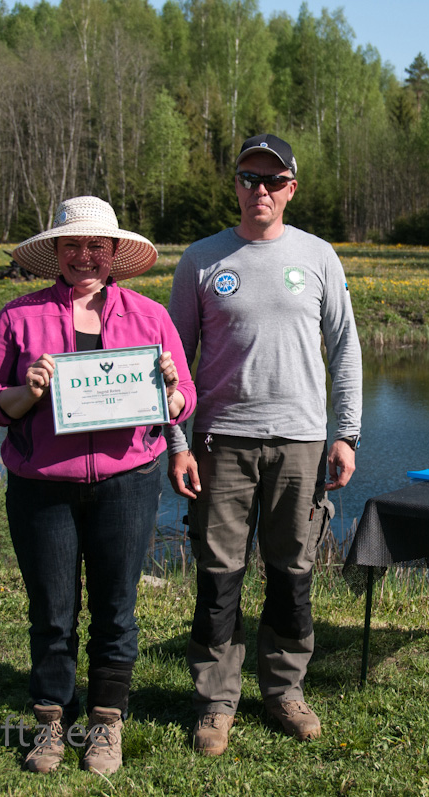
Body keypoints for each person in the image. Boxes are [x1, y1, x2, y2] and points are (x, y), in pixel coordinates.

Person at [0, 196, 196, 775]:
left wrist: (169, 393)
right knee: (51, 609)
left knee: (117, 609)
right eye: (73, 246)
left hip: (128, 484)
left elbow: (184, 399)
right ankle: (51, 725)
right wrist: (27, 392)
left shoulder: (149, 316)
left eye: (97, 246)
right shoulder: (19, 317)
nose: (85, 257)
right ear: (56, 254)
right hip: (41, 487)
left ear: (115, 253)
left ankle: (106, 725)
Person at [165, 133, 362, 756]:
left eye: (274, 181)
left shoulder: (320, 257)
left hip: (302, 443)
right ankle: (216, 701)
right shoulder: (202, 260)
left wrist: (346, 433)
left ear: (291, 190)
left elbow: (345, 350)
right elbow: (171, 363)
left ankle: (284, 691)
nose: (261, 191)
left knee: (293, 574)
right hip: (221, 441)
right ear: (237, 185)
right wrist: (177, 441)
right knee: (219, 576)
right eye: (250, 178)